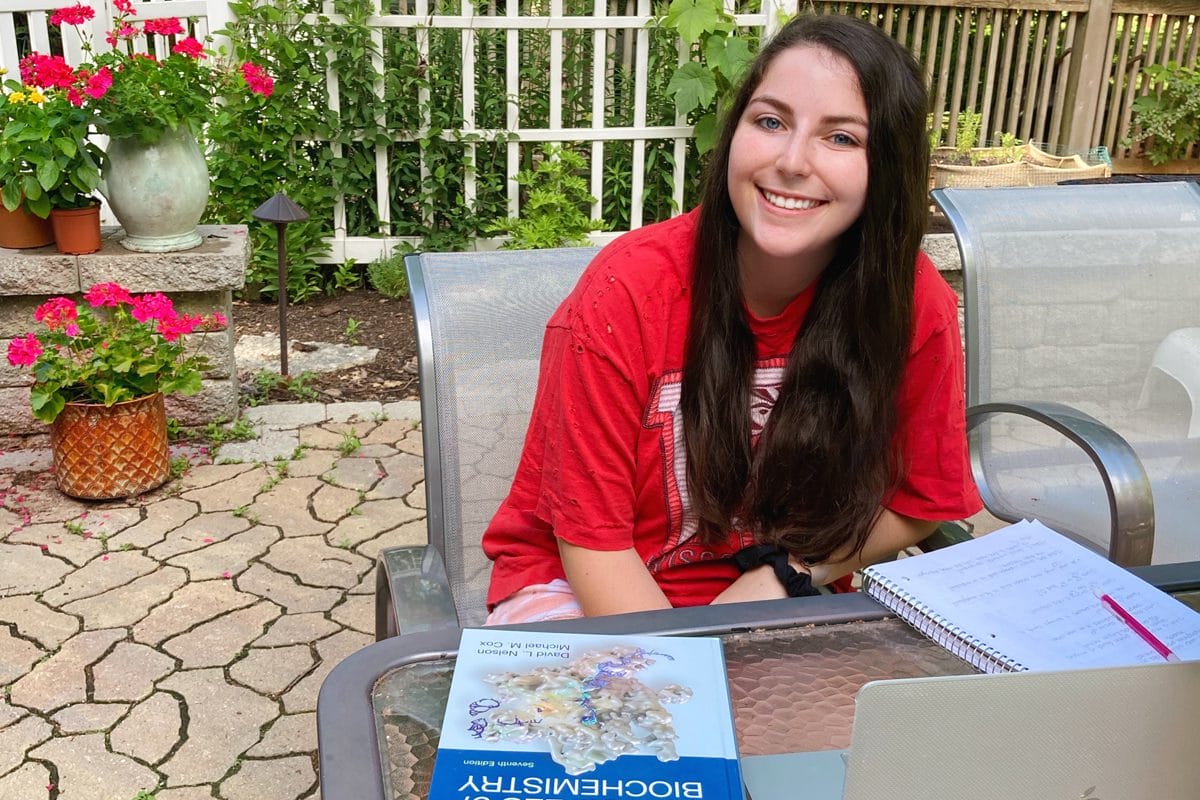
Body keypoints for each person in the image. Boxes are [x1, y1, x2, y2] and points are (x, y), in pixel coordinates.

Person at [482, 13, 982, 625]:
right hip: (586, 589)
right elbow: (594, 544)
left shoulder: (907, 300)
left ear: (889, 169)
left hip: (779, 599)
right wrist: (695, 675)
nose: (792, 161)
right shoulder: (627, 293)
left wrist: (790, 572)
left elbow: (923, 500)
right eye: (770, 121)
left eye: (842, 138)